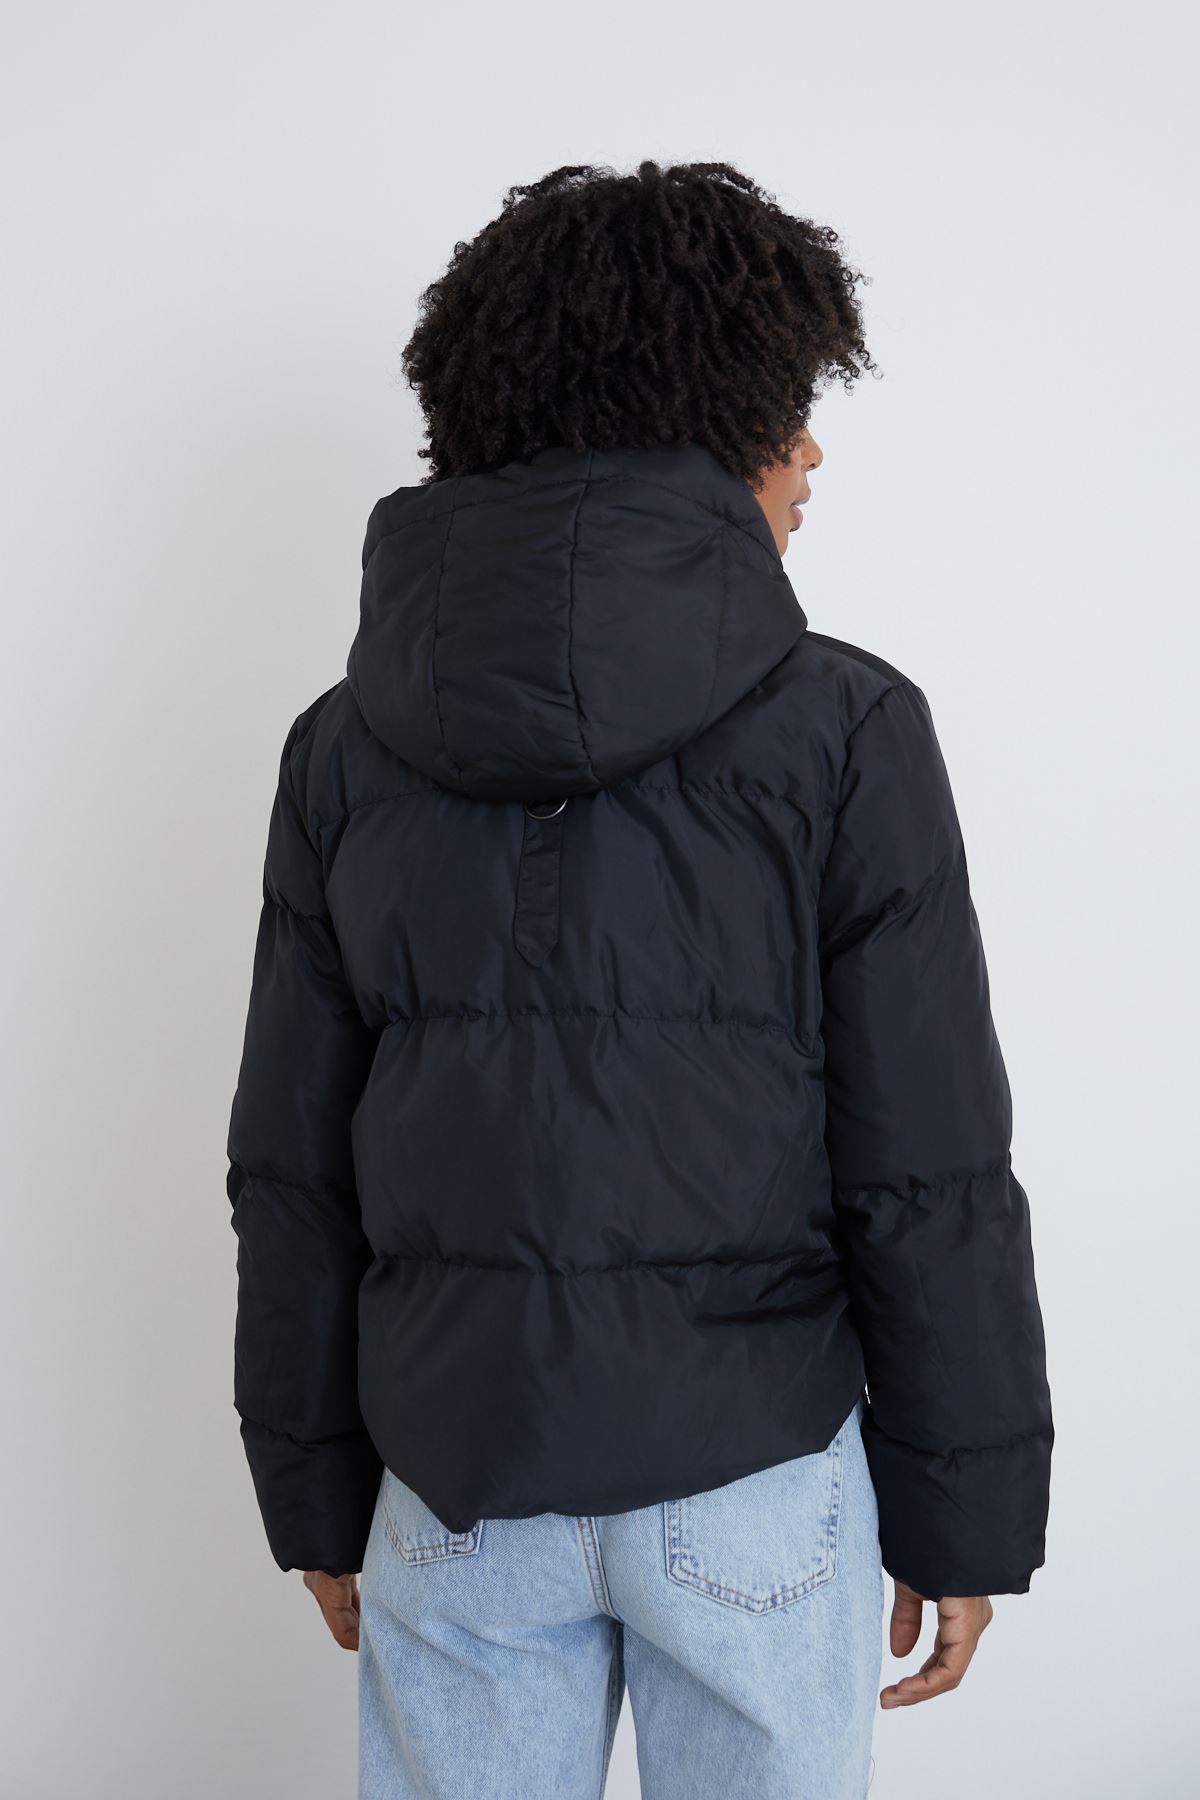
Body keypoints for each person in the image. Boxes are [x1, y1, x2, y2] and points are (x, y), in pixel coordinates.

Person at [225, 159, 1053, 1799]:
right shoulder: (847, 729)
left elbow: (293, 1166)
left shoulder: (343, 748)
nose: (811, 453)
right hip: (755, 1476)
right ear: (709, 414)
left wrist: (315, 1488)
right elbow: (928, 1166)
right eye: (789, 407)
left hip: (455, 1484)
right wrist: (964, 1513)